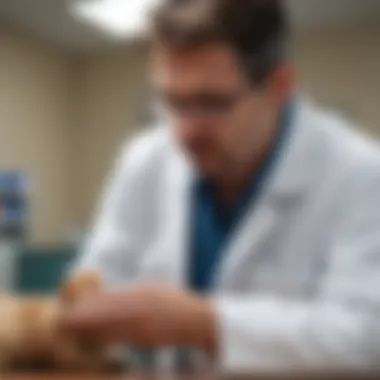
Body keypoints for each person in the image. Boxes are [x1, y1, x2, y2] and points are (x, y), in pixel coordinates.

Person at [62, 0, 380, 373]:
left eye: (210, 103)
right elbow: (98, 276)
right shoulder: (144, 159)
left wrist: (205, 323)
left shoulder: (360, 173)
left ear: (279, 86)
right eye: (170, 102)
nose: (184, 132)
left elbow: (365, 337)